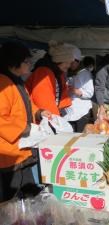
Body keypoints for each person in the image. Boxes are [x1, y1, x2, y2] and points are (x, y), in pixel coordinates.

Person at [0, 41, 51, 202]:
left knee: (29, 196)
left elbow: (27, 103)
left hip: (23, 149)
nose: (30, 65)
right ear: (14, 62)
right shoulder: (2, 83)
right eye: (27, 61)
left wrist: (39, 112)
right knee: (12, 201)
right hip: (10, 152)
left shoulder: (16, 80)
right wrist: (25, 129)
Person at [26, 41, 75, 115]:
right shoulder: (43, 73)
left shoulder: (58, 73)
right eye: (67, 62)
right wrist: (54, 119)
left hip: (49, 114)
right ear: (58, 61)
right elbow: (43, 102)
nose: (69, 66)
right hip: (40, 117)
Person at [64, 56, 95, 132]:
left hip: (81, 112)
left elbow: (90, 93)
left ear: (78, 62)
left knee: (79, 136)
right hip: (69, 111)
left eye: (72, 62)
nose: (70, 64)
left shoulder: (85, 73)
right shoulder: (68, 71)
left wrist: (77, 91)